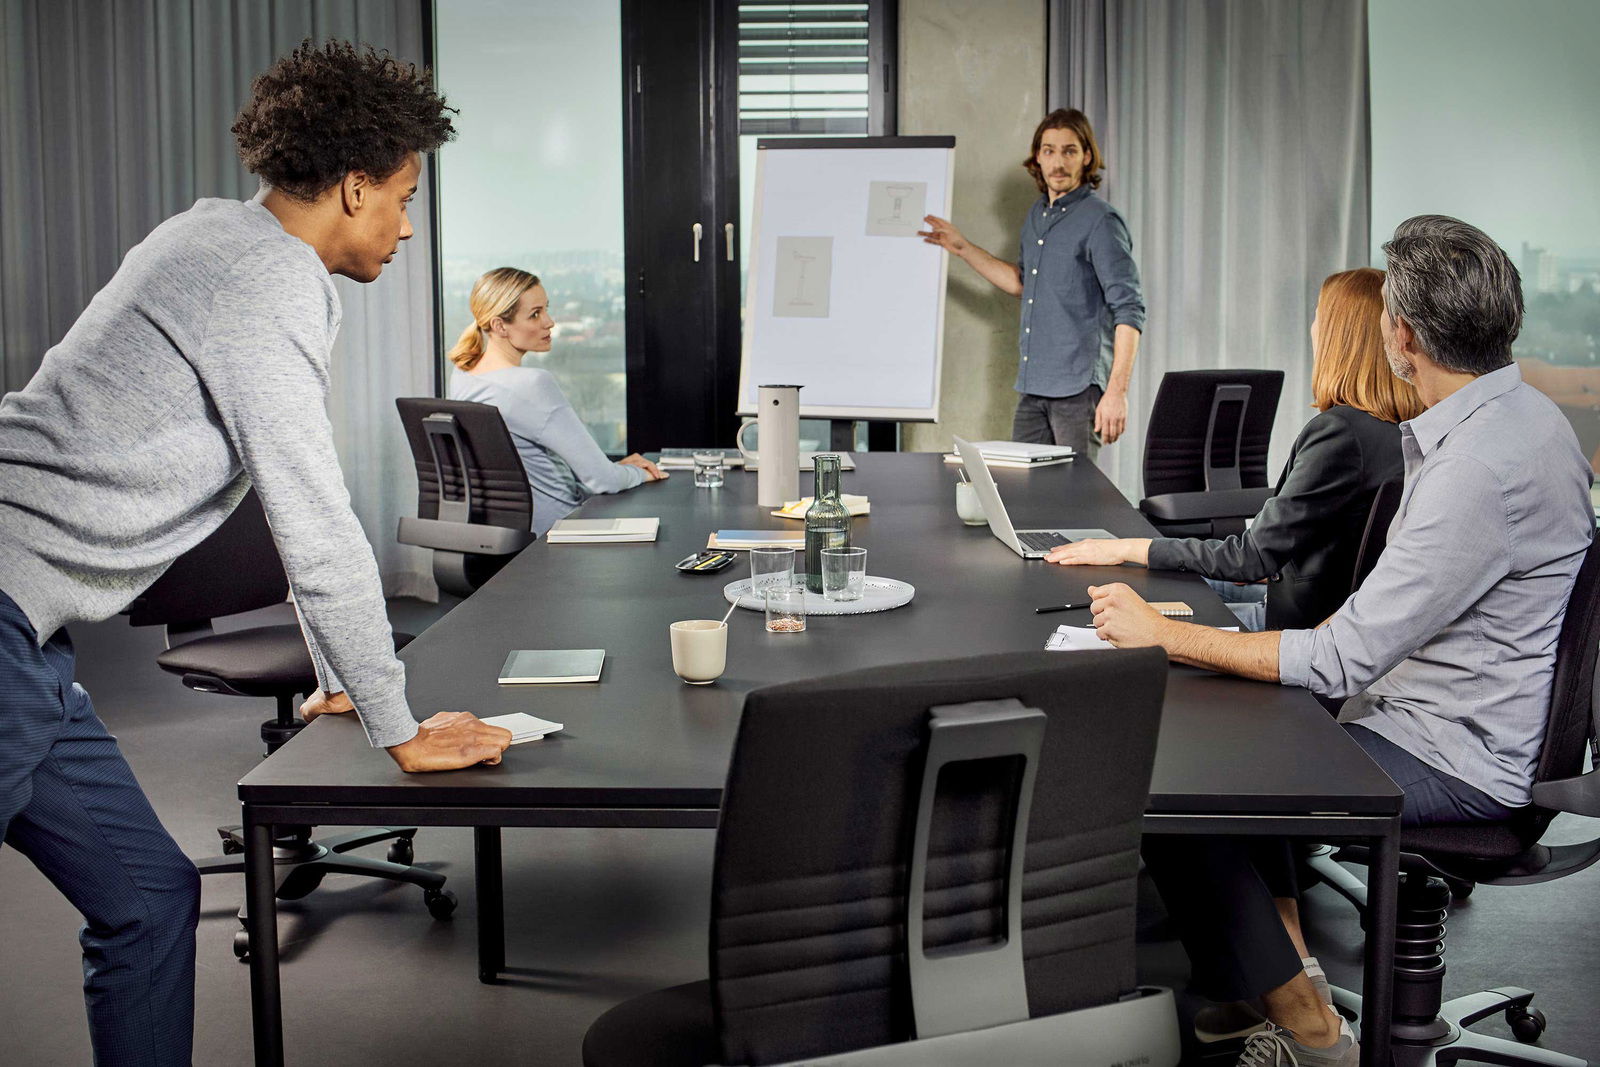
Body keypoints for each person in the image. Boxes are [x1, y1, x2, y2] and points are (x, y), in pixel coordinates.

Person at [0, 41, 512, 1065]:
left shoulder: (213, 238)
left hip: (31, 645)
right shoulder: (266, 279)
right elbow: (313, 512)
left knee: (148, 896)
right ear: (355, 185)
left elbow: (285, 510)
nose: (408, 224)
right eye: (403, 198)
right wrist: (395, 721)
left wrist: (340, 681)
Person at [1084, 216, 1593, 1066]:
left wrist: (1165, 636)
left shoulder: (1475, 468)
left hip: (1455, 756)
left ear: (1402, 334)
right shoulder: (1528, 420)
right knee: (1248, 731)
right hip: (1457, 719)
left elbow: (1340, 657)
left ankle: (1314, 1032)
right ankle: (1287, 982)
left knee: (1174, 786)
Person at [1044, 268, 1422, 632]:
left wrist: (1126, 547)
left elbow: (1249, 557)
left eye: (1317, 317)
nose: (1312, 329)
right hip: (1305, 599)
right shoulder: (1400, 431)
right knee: (1141, 580)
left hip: (1289, 625)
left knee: (1117, 607)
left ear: (1341, 338)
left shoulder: (1340, 433)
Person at [918, 108, 1145, 458]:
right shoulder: (1036, 216)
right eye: (1049, 150)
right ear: (1037, 158)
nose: (1058, 162)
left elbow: (1129, 310)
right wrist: (962, 248)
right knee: (1025, 497)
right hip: (1033, 386)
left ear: (1086, 157)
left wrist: (1116, 392)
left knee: (1074, 501)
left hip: (1078, 389)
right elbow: (1021, 282)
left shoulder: (1101, 221)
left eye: (1069, 150)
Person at [446, 267, 665, 535]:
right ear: (499, 325)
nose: (549, 322)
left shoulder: (464, 375)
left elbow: (529, 467)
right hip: (560, 532)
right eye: (535, 314)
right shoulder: (533, 384)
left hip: (504, 537)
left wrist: (611, 469)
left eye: (546, 309)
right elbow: (604, 481)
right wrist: (642, 474)